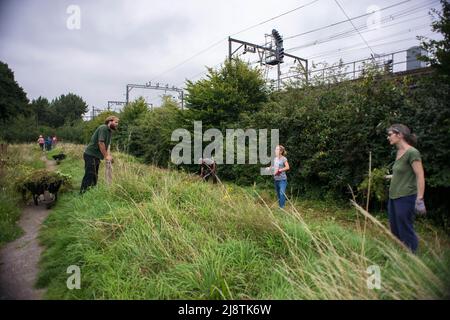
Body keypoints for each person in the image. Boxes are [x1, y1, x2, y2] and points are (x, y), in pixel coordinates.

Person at [386, 124, 425, 253]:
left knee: (405, 228)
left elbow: (420, 175)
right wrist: (390, 176)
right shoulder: (399, 152)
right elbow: (403, 172)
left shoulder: (412, 152)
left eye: (390, 134)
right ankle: (401, 256)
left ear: (400, 135)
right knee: (395, 229)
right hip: (394, 196)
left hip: (406, 196)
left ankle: (413, 258)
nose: (388, 137)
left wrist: (419, 199)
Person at [80, 116, 119, 194]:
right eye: (116, 122)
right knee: (89, 175)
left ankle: (91, 193)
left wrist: (109, 156)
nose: (117, 124)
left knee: (95, 176)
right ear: (110, 121)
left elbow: (106, 146)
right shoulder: (103, 128)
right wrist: (106, 156)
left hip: (96, 156)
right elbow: (101, 143)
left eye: (117, 123)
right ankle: (83, 194)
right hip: (90, 155)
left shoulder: (109, 131)